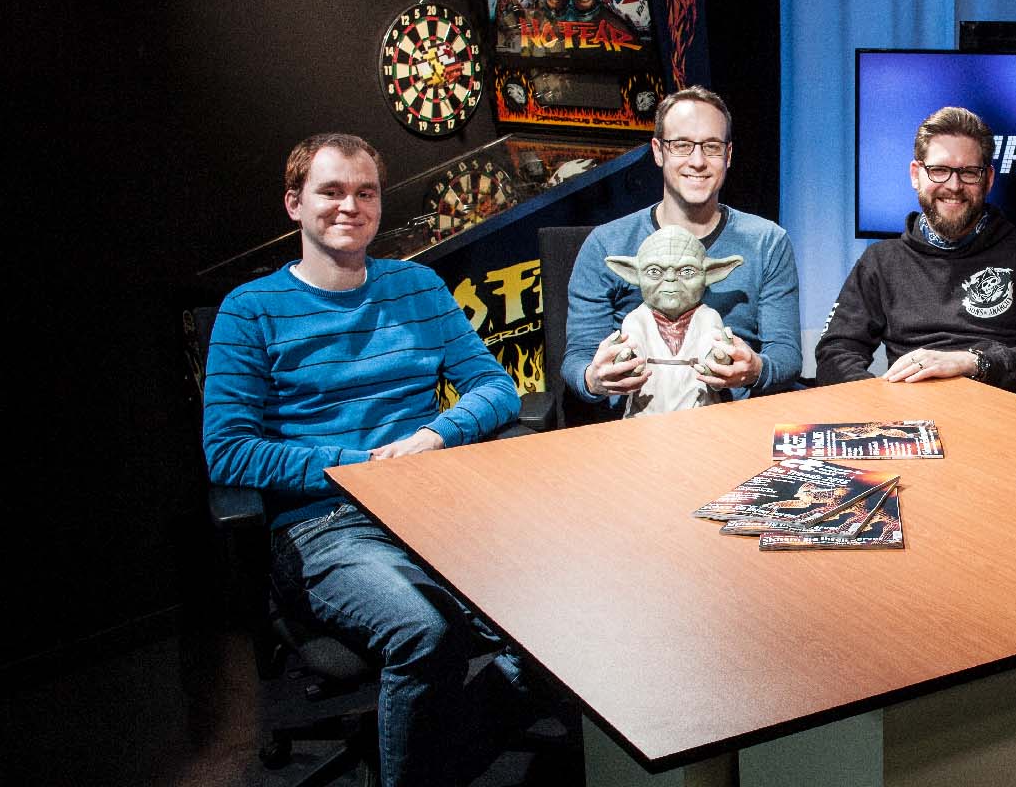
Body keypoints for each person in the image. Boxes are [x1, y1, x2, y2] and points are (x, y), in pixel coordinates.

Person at [202, 133, 532, 787]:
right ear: (295, 204)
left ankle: (435, 763)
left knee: (556, 621)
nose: (349, 206)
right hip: (324, 523)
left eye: (365, 192)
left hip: (431, 503)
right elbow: (228, 451)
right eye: (330, 191)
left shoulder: (417, 286)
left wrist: (434, 436)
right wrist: (356, 465)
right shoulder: (250, 311)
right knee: (426, 633)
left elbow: (495, 386)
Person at [815, 106, 1016, 405]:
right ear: (916, 174)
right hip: (912, 417)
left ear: (989, 179)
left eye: (969, 172)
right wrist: (879, 404)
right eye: (939, 170)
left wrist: (972, 363)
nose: (953, 186)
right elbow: (835, 353)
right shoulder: (880, 260)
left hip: (1004, 414)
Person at [563, 86, 800, 413]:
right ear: (658, 151)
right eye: (682, 145)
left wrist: (755, 369)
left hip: (730, 422)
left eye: (712, 147)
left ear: (728, 155)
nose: (698, 161)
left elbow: (786, 356)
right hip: (635, 425)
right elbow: (578, 359)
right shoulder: (606, 244)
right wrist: (595, 378)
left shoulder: (767, 242)